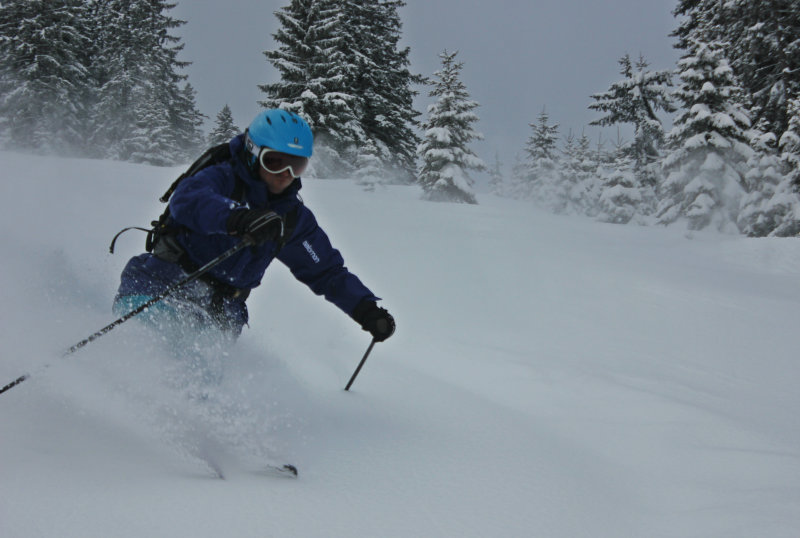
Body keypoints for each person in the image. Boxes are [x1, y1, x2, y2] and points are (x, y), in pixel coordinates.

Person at [114, 109, 395, 347]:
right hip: (160, 286)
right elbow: (188, 200)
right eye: (274, 161)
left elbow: (326, 272)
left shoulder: (291, 218)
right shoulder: (222, 178)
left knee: (200, 380)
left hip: (220, 315)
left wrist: (365, 309)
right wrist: (237, 218)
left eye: (296, 165)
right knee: (153, 350)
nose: (285, 174)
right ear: (252, 153)